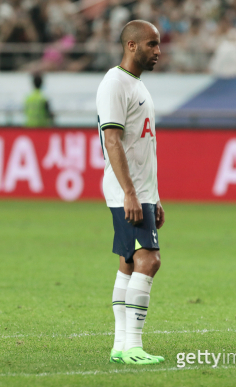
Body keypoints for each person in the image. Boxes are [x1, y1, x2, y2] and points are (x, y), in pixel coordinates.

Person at [96, 20, 165, 365]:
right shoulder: (115, 82)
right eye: (152, 44)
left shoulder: (136, 85)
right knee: (148, 260)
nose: (158, 51)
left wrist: (154, 196)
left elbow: (141, 146)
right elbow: (112, 140)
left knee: (128, 265)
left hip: (140, 191)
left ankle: (121, 346)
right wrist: (130, 193)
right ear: (132, 46)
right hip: (127, 191)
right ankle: (133, 345)